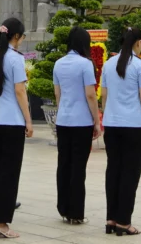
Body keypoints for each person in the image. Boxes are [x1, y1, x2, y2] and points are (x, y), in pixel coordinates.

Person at [0, 17, 33, 239]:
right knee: (8, 173)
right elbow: (20, 92)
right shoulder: (15, 60)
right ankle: (1, 223)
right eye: (21, 37)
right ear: (16, 37)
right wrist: (29, 120)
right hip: (11, 122)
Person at [100, 27, 141, 236]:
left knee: (113, 171)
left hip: (112, 126)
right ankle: (124, 222)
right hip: (134, 127)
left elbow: (104, 96)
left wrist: (108, 116)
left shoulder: (108, 64)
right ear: (138, 43)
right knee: (129, 174)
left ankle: (111, 219)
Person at [52, 27, 101, 224]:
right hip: (81, 122)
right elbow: (90, 95)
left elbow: (58, 94)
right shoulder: (85, 64)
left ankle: (63, 208)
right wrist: (96, 120)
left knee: (63, 164)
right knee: (78, 167)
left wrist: (63, 109)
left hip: (63, 120)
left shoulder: (58, 63)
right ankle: (76, 213)